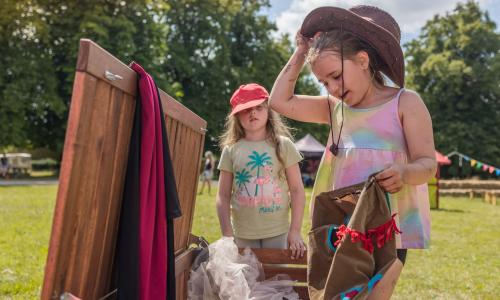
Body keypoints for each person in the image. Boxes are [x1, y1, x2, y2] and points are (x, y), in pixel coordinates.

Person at [269, 5, 436, 298]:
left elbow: (427, 164)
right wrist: (300, 53)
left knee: (375, 294)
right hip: (341, 224)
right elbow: (279, 101)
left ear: (362, 60)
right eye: (324, 83)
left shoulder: (405, 103)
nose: (331, 88)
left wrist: (405, 173)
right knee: (338, 292)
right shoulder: (334, 109)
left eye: (336, 76)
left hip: (389, 227)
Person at [216, 83, 307, 259]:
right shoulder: (231, 150)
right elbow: (223, 195)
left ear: (269, 110)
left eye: (259, 107)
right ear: (236, 115)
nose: (253, 112)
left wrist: (295, 231)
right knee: (247, 282)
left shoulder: (284, 145)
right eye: (246, 109)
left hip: (277, 230)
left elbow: (297, 191)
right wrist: (227, 234)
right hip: (242, 232)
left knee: (276, 278)